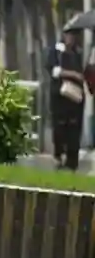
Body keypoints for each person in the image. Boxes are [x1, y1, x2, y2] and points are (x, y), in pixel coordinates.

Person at [49, 30, 86, 171]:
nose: (72, 39)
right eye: (69, 35)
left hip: (75, 96)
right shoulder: (57, 51)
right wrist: (74, 75)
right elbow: (53, 71)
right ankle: (59, 155)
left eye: (74, 36)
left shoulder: (78, 53)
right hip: (59, 95)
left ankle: (72, 161)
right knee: (59, 127)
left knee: (74, 128)